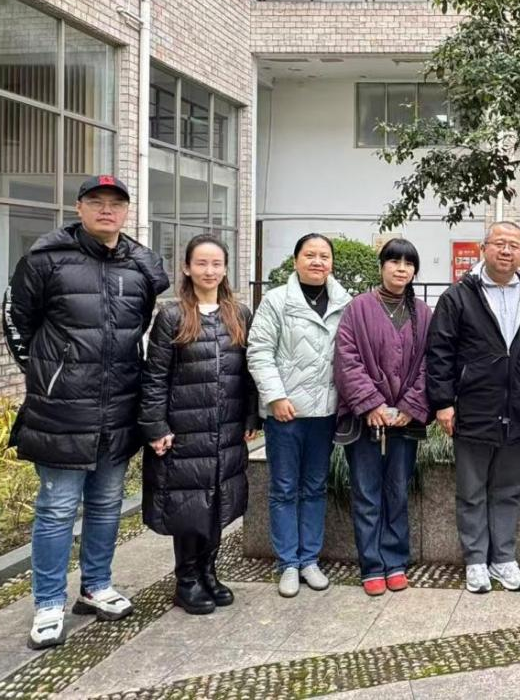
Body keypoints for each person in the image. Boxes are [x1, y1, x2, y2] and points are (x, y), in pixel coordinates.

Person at [2, 175, 170, 649]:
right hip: (62, 409)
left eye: (115, 203)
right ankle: (48, 603)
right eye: (96, 201)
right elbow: (17, 322)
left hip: (119, 407)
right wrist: (48, 376)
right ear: (79, 207)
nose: (106, 210)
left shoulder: (140, 266)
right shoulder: (45, 259)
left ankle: (96, 585)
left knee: (106, 504)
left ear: (127, 211)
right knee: (57, 508)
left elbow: (137, 326)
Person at [140, 234, 257, 615]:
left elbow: (249, 374)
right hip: (185, 428)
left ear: (225, 269)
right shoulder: (172, 316)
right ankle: (186, 580)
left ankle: (209, 572)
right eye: (202, 263)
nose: (209, 271)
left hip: (227, 428)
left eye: (216, 264)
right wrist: (155, 426)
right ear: (187, 268)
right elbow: (155, 376)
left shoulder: (239, 315)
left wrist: (251, 416)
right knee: (189, 505)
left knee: (219, 501)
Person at [426, 221, 520, 594]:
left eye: (514, 245)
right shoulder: (459, 296)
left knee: (508, 488)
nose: (506, 251)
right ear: (484, 248)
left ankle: (503, 558)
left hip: (519, 407)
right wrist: (443, 402)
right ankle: (476, 560)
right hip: (473, 406)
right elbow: (440, 352)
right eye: (499, 243)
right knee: (472, 489)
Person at [247, 233, 350, 598]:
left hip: (325, 412)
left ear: (332, 263)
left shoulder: (344, 303)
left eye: (324, 256)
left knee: (315, 487)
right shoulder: (276, 301)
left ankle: (309, 559)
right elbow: (259, 351)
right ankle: (288, 562)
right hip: (286, 414)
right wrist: (275, 396)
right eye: (310, 255)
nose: (317, 261)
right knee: (284, 488)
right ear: (295, 261)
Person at [333, 239, 433, 596]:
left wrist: (410, 406)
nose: (401, 269)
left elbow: (430, 363)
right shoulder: (358, 308)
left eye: (408, 263)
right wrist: (371, 404)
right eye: (394, 261)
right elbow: (347, 360)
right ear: (382, 266)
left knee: (397, 491)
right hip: (366, 421)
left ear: (414, 271)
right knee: (366, 492)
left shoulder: (423, 313)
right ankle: (372, 565)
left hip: (404, 421)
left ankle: (395, 560)